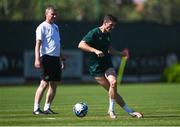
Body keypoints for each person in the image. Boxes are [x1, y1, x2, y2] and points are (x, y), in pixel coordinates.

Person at [78, 14, 143, 119]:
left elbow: (109, 49)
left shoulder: (108, 34)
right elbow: (81, 44)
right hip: (95, 67)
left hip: (107, 63)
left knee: (113, 83)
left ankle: (111, 110)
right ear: (105, 23)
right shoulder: (94, 32)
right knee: (112, 91)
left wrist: (122, 54)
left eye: (114, 26)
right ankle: (130, 112)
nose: (112, 28)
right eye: (111, 25)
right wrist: (95, 50)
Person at [33, 5, 64, 115]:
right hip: (46, 57)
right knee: (44, 83)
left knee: (54, 84)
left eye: (55, 14)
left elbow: (57, 44)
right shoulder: (42, 27)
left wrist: (60, 59)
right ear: (46, 14)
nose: (54, 16)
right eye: (52, 14)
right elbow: (38, 44)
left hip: (55, 58)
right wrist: (37, 59)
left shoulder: (56, 27)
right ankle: (36, 108)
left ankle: (47, 108)